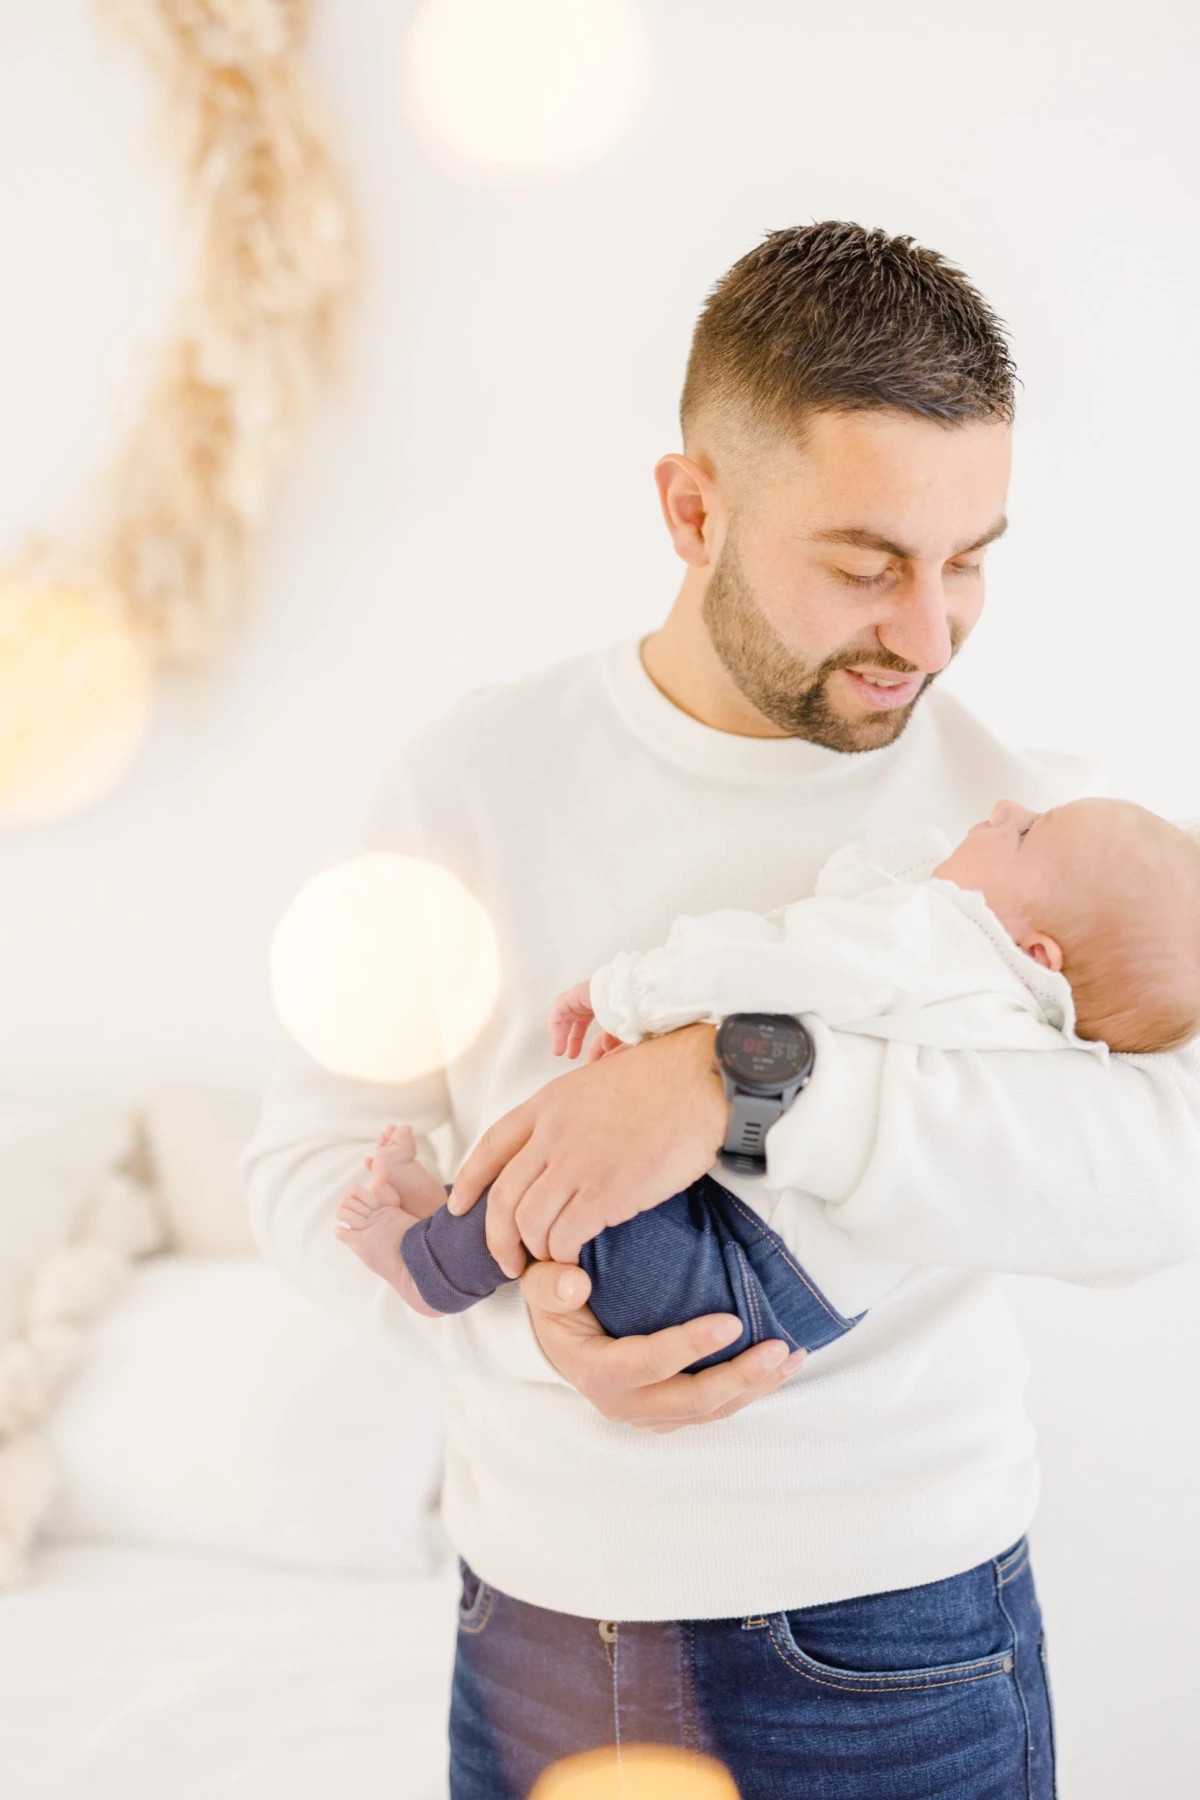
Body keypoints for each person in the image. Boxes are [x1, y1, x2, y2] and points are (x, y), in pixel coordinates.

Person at [238, 222, 1200, 1799]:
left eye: (972, 560)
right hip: (537, 1640)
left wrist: (745, 1077)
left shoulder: (1029, 834)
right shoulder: (472, 783)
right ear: (693, 508)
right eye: (867, 562)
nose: (933, 632)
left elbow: (1169, 1176)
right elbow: (303, 1166)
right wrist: (532, 1328)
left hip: (895, 1650)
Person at [333, 796, 1200, 1365]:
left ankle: (430, 1269)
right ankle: (453, 1212)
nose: (1005, 806)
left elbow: (784, 963)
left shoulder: (943, 941)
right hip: (788, 1304)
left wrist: (633, 995)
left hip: (738, 1271)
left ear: (1034, 954)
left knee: (565, 1183)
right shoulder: (1040, 1031)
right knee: (574, 1181)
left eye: (1023, 832)